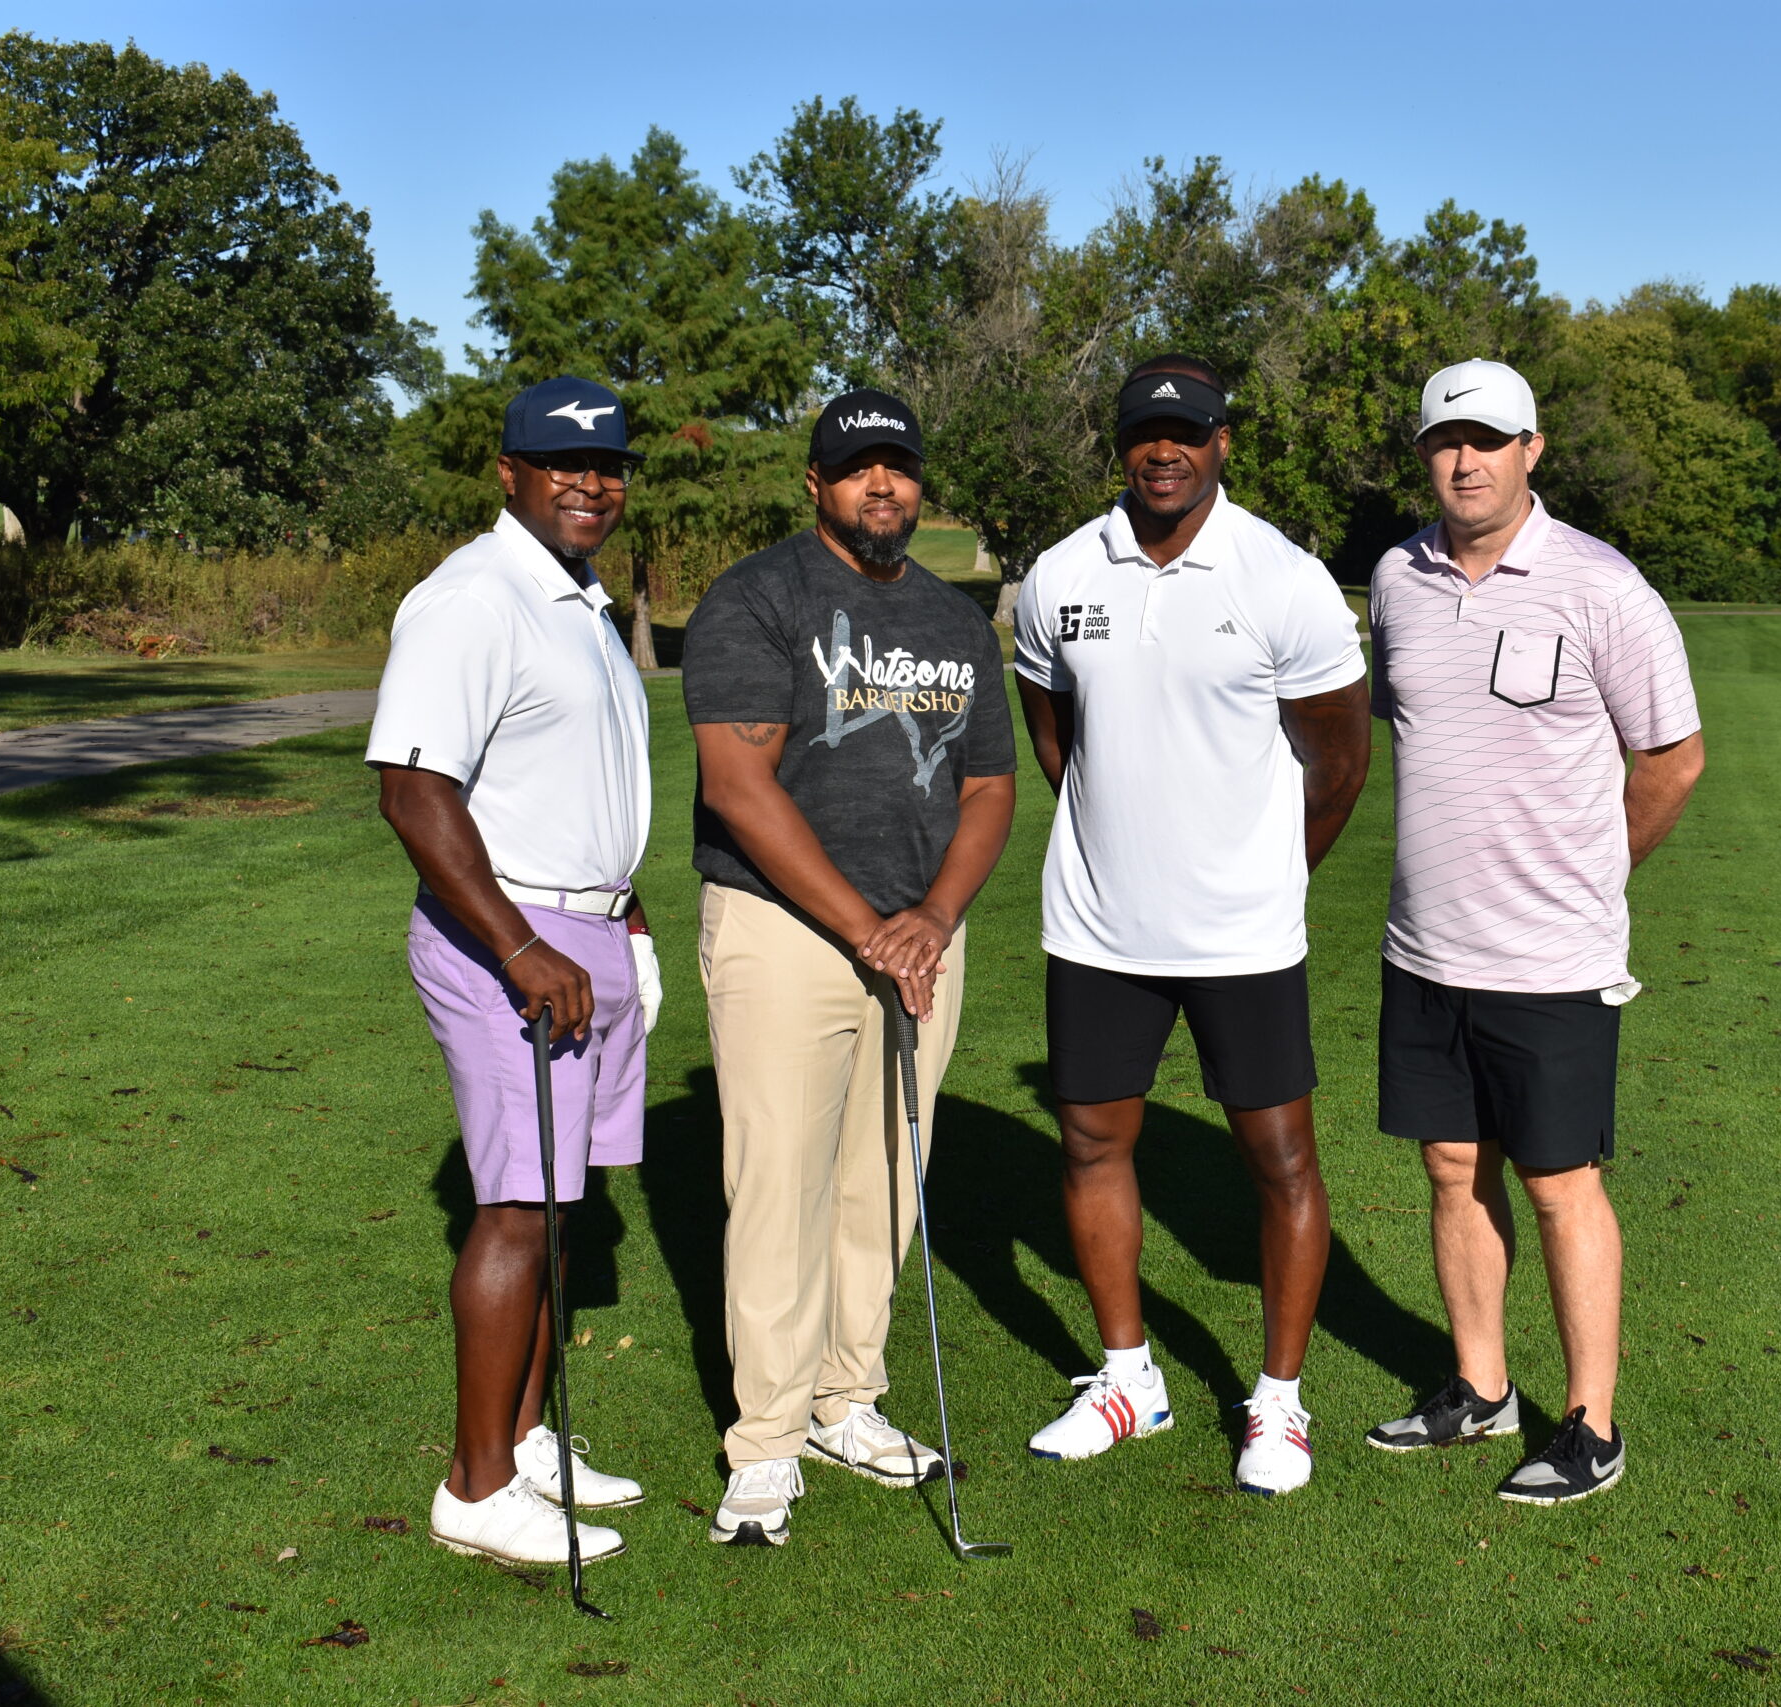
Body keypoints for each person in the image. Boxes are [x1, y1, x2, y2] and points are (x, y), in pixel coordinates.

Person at [1012, 355, 1371, 1497]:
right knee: (1089, 1144)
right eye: (1142, 433)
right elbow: (1055, 732)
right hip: (1098, 927)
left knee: (1280, 1159)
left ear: (1221, 442)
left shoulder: (1284, 578)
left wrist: (1262, 873)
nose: (1161, 450)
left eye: (1186, 431)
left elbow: (1340, 764)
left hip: (1243, 936)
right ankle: (1130, 1380)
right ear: (1118, 444)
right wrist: (1120, 841)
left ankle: (1279, 1400)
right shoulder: (1061, 571)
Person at [1361, 359, 1705, 1504]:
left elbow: (1672, 759)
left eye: (1487, 440)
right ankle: (1481, 1386)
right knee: (1451, 1166)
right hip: (1424, 946)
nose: (1464, 461)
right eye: (1444, 441)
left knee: (1560, 1181)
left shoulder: (1602, 587)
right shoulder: (1397, 579)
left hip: (1551, 955)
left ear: (1531, 451)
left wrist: (1595, 874)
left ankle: (1590, 1424)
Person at [683, 388, 1017, 1547]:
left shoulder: (956, 622)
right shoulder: (756, 597)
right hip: (784, 930)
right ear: (815, 483)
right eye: (858, 466)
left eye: (899, 466)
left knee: (883, 1177)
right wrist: (867, 927)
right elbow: (739, 786)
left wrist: (931, 915)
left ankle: (845, 1401)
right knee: (779, 1184)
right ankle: (767, 1442)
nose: (883, 484)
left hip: (921, 937)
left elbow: (989, 788)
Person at [368, 375, 663, 1565]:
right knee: (517, 1211)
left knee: (558, 1205)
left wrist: (620, 918)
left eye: (607, 465)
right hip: (509, 939)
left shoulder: (578, 598)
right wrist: (521, 944)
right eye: (561, 462)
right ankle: (476, 1486)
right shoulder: (473, 598)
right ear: (509, 472)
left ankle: (526, 1440)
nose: (590, 483)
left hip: (586, 933)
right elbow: (412, 790)